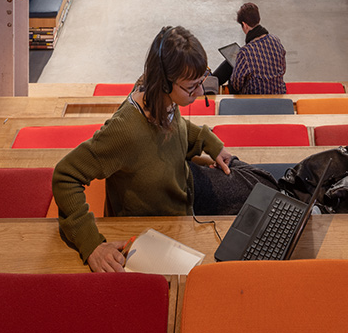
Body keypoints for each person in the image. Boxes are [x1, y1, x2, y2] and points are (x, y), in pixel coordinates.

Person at [52, 25, 232, 272]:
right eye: (192, 87)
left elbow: (176, 127)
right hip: (153, 234)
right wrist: (91, 244)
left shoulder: (162, 100)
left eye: (201, 81)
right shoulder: (126, 131)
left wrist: (208, 141)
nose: (200, 93)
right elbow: (65, 176)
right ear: (165, 84)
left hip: (183, 203)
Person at [212, 3, 286, 94]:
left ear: (244, 25)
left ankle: (208, 85)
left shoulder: (245, 52)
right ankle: (210, 82)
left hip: (254, 100)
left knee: (230, 65)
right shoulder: (276, 40)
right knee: (234, 64)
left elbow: (236, 84)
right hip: (278, 94)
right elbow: (283, 68)